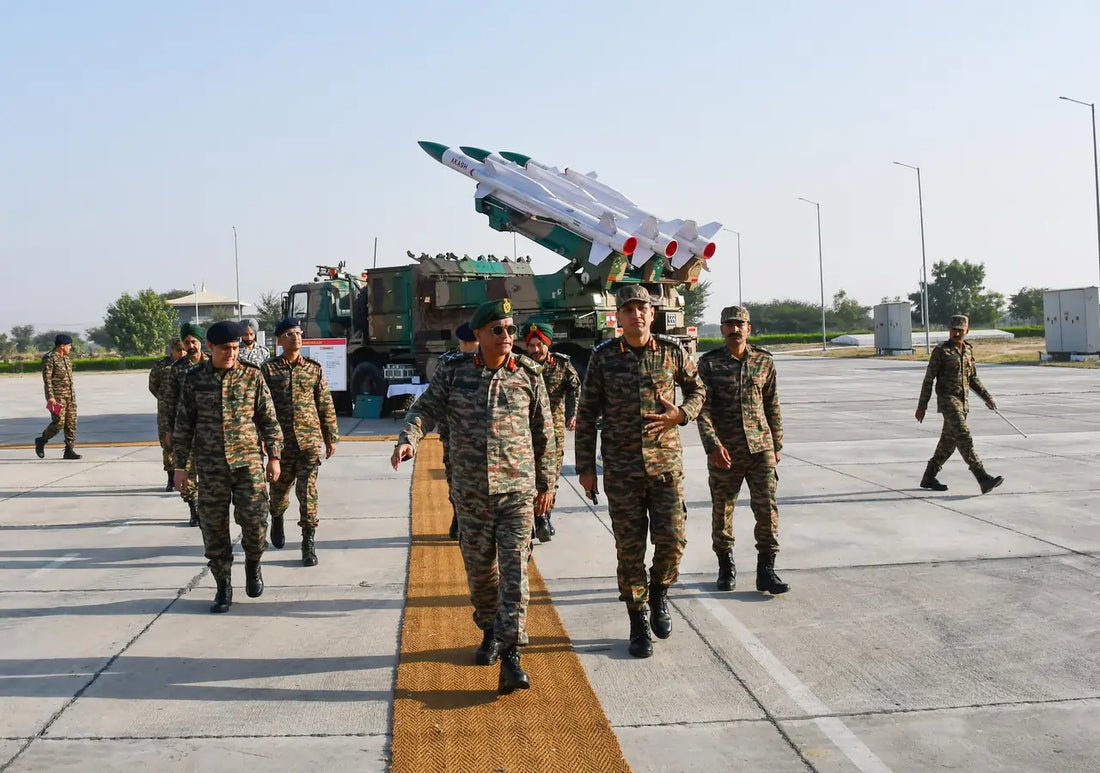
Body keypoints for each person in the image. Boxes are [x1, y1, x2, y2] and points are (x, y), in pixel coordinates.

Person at [392, 298, 555, 695]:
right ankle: (489, 629)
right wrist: (408, 439)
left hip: (516, 492)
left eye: (510, 330)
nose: (506, 337)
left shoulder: (529, 374)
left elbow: (544, 434)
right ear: (479, 334)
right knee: (482, 576)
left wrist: (546, 485)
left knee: (515, 572)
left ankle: (513, 656)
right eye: (497, 330)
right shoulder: (454, 371)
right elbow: (424, 410)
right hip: (470, 494)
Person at [575, 285, 705, 659]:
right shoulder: (603, 358)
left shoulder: (671, 352)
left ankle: (660, 590)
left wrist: (681, 414)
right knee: (629, 551)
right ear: (619, 315)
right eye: (629, 309)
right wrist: (586, 468)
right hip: (621, 470)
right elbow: (586, 416)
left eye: (642, 308)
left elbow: (699, 390)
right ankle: (638, 620)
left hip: (665, 467)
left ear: (652, 313)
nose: (636, 314)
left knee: (673, 540)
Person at [173, 321, 283, 613]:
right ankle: (223, 586)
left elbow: (269, 421)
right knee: (214, 530)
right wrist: (180, 467)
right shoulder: (194, 379)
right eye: (225, 349)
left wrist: (274, 456)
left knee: (257, 523)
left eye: (235, 348)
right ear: (210, 348)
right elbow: (183, 426)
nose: (232, 354)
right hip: (211, 468)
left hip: (248, 465)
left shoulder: (252, 376)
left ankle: (253, 564)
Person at [696, 306, 789, 595]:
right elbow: (702, 410)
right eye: (729, 324)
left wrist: (777, 444)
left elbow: (772, 404)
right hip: (725, 450)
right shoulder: (709, 365)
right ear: (722, 329)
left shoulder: (764, 361)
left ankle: (767, 570)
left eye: (740, 324)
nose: (735, 329)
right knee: (722, 509)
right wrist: (712, 446)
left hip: (760, 447)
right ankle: (726, 567)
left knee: (766, 508)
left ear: (749, 328)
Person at [261, 317, 339, 566]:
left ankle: (308, 541)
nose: (296, 337)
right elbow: (260, 408)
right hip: (281, 444)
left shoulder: (313, 368)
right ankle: (277, 516)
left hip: (309, 442)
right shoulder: (268, 370)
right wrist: (263, 440)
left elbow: (325, 403)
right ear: (280, 340)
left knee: (307, 492)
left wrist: (331, 436)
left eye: (298, 332)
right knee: (279, 491)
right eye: (290, 334)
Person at [916, 314, 1004, 494]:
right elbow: (929, 379)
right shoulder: (941, 351)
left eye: (960, 330)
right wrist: (922, 405)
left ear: (967, 331)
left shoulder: (968, 351)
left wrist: (987, 397)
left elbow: (972, 378)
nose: (956, 333)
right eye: (953, 330)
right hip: (948, 401)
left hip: (963, 403)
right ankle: (982, 477)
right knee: (964, 435)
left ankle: (929, 476)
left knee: (948, 442)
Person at [522, 320, 580, 542]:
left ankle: (544, 516)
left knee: (550, 475)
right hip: (525, 431)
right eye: (531, 346)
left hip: (552, 431)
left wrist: (573, 413)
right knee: (528, 475)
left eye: (539, 345)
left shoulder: (562, 365)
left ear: (547, 344)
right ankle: (529, 519)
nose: (535, 350)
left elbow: (575, 388)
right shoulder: (522, 366)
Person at [160, 323, 207, 526]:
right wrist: (168, 431)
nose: (190, 345)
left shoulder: (212, 364)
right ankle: (193, 506)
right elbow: (168, 401)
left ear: (201, 342)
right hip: (184, 428)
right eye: (187, 342)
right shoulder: (177, 368)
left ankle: (206, 507)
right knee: (185, 471)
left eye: (194, 341)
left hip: (208, 428)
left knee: (209, 473)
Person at [439, 322, 480, 541]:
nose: (471, 347)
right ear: (461, 343)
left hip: (480, 438)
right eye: (468, 344)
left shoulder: (486, 363)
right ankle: (458, 515)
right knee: (454, 477)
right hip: (453, 436)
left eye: (474, 343)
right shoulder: (448, 365)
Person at [34, 334, 80, 460]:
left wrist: (72, 395)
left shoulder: (66, 358)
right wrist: (50, 397)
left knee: (71, 422)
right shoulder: (50, 358)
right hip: (57, 397)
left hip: (70, 396)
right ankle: (42, 440)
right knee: (59, 423)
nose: (70, 348)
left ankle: (69, 450)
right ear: (62, 345)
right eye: (69, 345)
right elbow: (47, 380)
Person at [149, 338, 186, 490]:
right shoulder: (161, 365)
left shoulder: (189, 365)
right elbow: (153, 386)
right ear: (172, 350)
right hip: (166, 412)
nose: (183, 353)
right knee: (168, 445)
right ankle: (170, 478)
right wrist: (165, 399)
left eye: (184, 350)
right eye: (179, 351)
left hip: (186, 410)